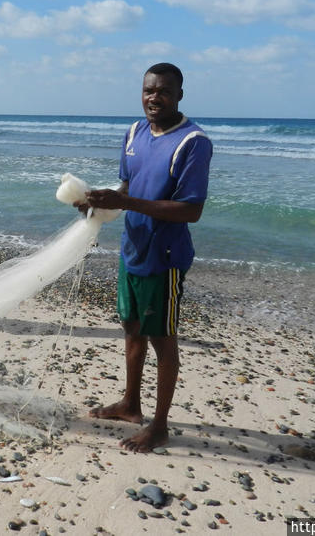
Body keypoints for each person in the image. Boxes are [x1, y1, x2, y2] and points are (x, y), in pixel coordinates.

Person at [82, 62, 212, 452]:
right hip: (132, 249)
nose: (155, 98)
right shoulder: (135, 132)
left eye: (164, 91)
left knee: (162, 338)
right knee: (132, 327)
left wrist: (126, 200)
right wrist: (101, 203)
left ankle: (159, 425)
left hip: (165, 258)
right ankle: (130, 403)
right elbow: (127, 186)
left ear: (179, 95)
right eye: (148, 90)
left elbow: (191, 210)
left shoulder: (193, 142)